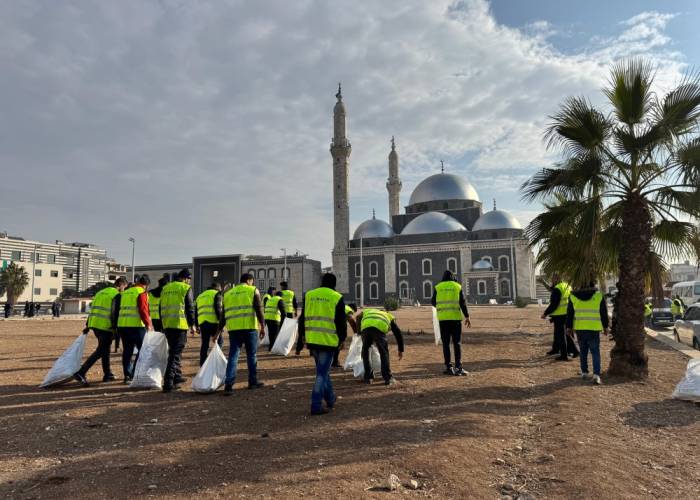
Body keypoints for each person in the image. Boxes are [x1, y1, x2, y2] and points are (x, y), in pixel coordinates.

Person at [295, 273, 347, 415]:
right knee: (322, 374)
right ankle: (316, 405)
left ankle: (330, 399)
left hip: (312, 339)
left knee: (323, 371)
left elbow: (302, 318)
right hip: (328, 341)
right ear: (334, 284)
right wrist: (342, 339)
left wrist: (302, 336)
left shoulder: (309, 295)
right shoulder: (336, 297)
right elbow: (341, 322)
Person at [73, 277, 128, 386]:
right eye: (124, 288)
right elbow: (115, 313)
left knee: (105, 350)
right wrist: (116, 328)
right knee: (101, 350)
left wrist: (88, 325)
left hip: (95, 325)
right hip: (106, 326)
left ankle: (107, 374)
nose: (124, 290)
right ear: (121, 285)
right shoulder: (116, 295)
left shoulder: (100, 293)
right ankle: (81, 372)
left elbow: (92, 310)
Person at [221, 273, 266, 394]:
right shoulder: (253, 290)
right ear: (249, 280)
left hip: (233, 329)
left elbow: (223, 315)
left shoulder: (228, 293)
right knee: (251, 355)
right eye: (252, 281)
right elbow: (258, 309)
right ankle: (252, 382)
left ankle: (228, 385)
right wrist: (262, 326)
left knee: (233, 356)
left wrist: (217, 332)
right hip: (249, 328)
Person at [160, 268, 196, 392]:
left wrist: (162, 323)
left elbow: (160, 307)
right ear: (185, 278)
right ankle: (168, 383)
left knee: (174, 351)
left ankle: (177, 377)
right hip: (179, 324)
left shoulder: (166, 288)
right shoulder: (185, 288)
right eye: (189, 279)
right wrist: (192, 324)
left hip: (167, 324)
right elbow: (190, 307)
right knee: (175, 354)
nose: (189, 281)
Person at [566, 281, 609, 385]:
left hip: (580, 328)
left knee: (583, 351)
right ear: (593, 284)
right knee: (595, 352)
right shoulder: (598, 296)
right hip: (594, 328)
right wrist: (606, 326)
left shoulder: (573, 296)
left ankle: (584, 372)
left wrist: (569, 327)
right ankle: (596, 375)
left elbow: (570, 314)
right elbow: (603, 313)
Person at [431, 270, 471, 376]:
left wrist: (442, 308)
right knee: (457, 343)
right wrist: (467, 316)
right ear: (453, 277)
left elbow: (433, 302)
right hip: (455, 319)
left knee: (446, 344)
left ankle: (449, 367)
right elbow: (462, 303)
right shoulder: (457, 286)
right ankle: (458, 368)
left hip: (443, 320)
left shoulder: (438, 287)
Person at [116, 275, 153, 384]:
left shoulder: (125, 292)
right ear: (146, 285)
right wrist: (148, 324)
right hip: (136, 326)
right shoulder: (142, 293)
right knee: (143, 350)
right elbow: (143, 309)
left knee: (127, 351)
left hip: (123, 325)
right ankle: (134, 373)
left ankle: (127, 375)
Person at [356, 308, 404, 385]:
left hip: (365, 328)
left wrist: (359, 332)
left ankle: (368, 378)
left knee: (365, 352)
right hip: (379, 329)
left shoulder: (369, 311)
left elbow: (358, 316)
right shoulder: (389, 316)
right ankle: (388, 378)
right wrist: (400, 350)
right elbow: (398, 333)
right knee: (384, 353)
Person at [541, 274, 579, 361]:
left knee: (561, 335)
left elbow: (554, 304)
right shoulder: (567, 286)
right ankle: (571, 351)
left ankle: (564, 355)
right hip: (568, 314)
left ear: (556, 279)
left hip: (559, 315)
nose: (551, 281)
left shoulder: (557, 289)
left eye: (552, 279)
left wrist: (545, 313)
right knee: (566, 334)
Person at [196, 282, 224, 366]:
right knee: (219, 342)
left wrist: (196, 325)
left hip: (203, 323)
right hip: (214, 322)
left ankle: (203, 365)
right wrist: (221, 322)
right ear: (218, 288)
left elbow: (196, 311)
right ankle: (216, 362)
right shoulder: (217, 294)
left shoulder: (200, 296)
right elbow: (218, 308)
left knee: (204, 345)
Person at [332, 303, 358, 368]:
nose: (352, 313)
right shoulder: (348, 310)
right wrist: (356, 332)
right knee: (338, 344)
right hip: (337, 327)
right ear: (352, 309)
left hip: (330, 325)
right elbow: (351, 320)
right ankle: (335, 362)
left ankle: (331, 361)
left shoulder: (342, 307)